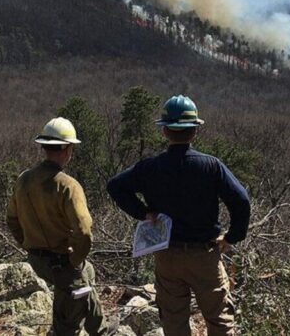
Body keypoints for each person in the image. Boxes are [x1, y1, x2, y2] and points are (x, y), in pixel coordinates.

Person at [107, 95, 251, 336]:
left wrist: (143, 212)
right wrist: (231, 237)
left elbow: (115, 186)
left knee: (174, 322)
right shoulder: (211, 166)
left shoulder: (150, 167)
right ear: (195, 130)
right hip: (205, 256)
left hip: (168, 256)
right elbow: (241, 200)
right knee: (219, 321)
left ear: (164, 131)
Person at [7, 117, 106, 335]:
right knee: (67, 321)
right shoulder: (68, 186)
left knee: (87, 272)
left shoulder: (23, 180)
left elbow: (12, 220)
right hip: (62, 263)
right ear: (67, 148)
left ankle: (100, 329)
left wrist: (26, 243)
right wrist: (75, 259)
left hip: (36, 259)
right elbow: (84, 231)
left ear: (44, 147)